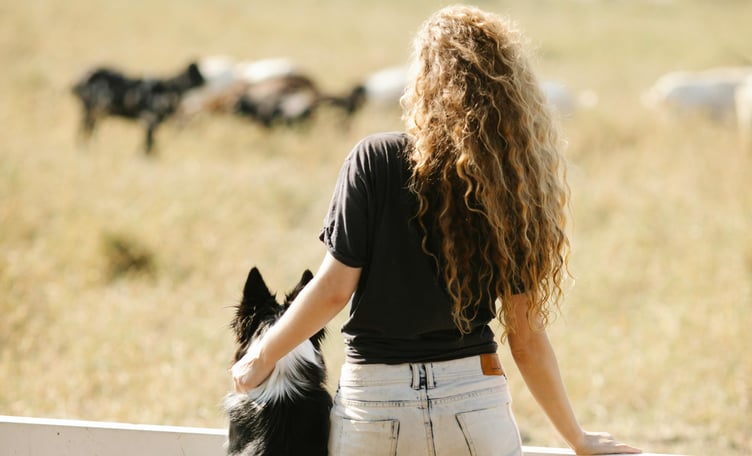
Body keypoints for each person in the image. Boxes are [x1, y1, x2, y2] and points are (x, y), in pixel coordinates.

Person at [231, 4, 642, 455]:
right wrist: (576, 439)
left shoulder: (375, 159)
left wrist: (261, 356)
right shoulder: (510, 189)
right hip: (475, 403)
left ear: (424, 81)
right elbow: (525, 340)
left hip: (376, 401)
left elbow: (333, 292)